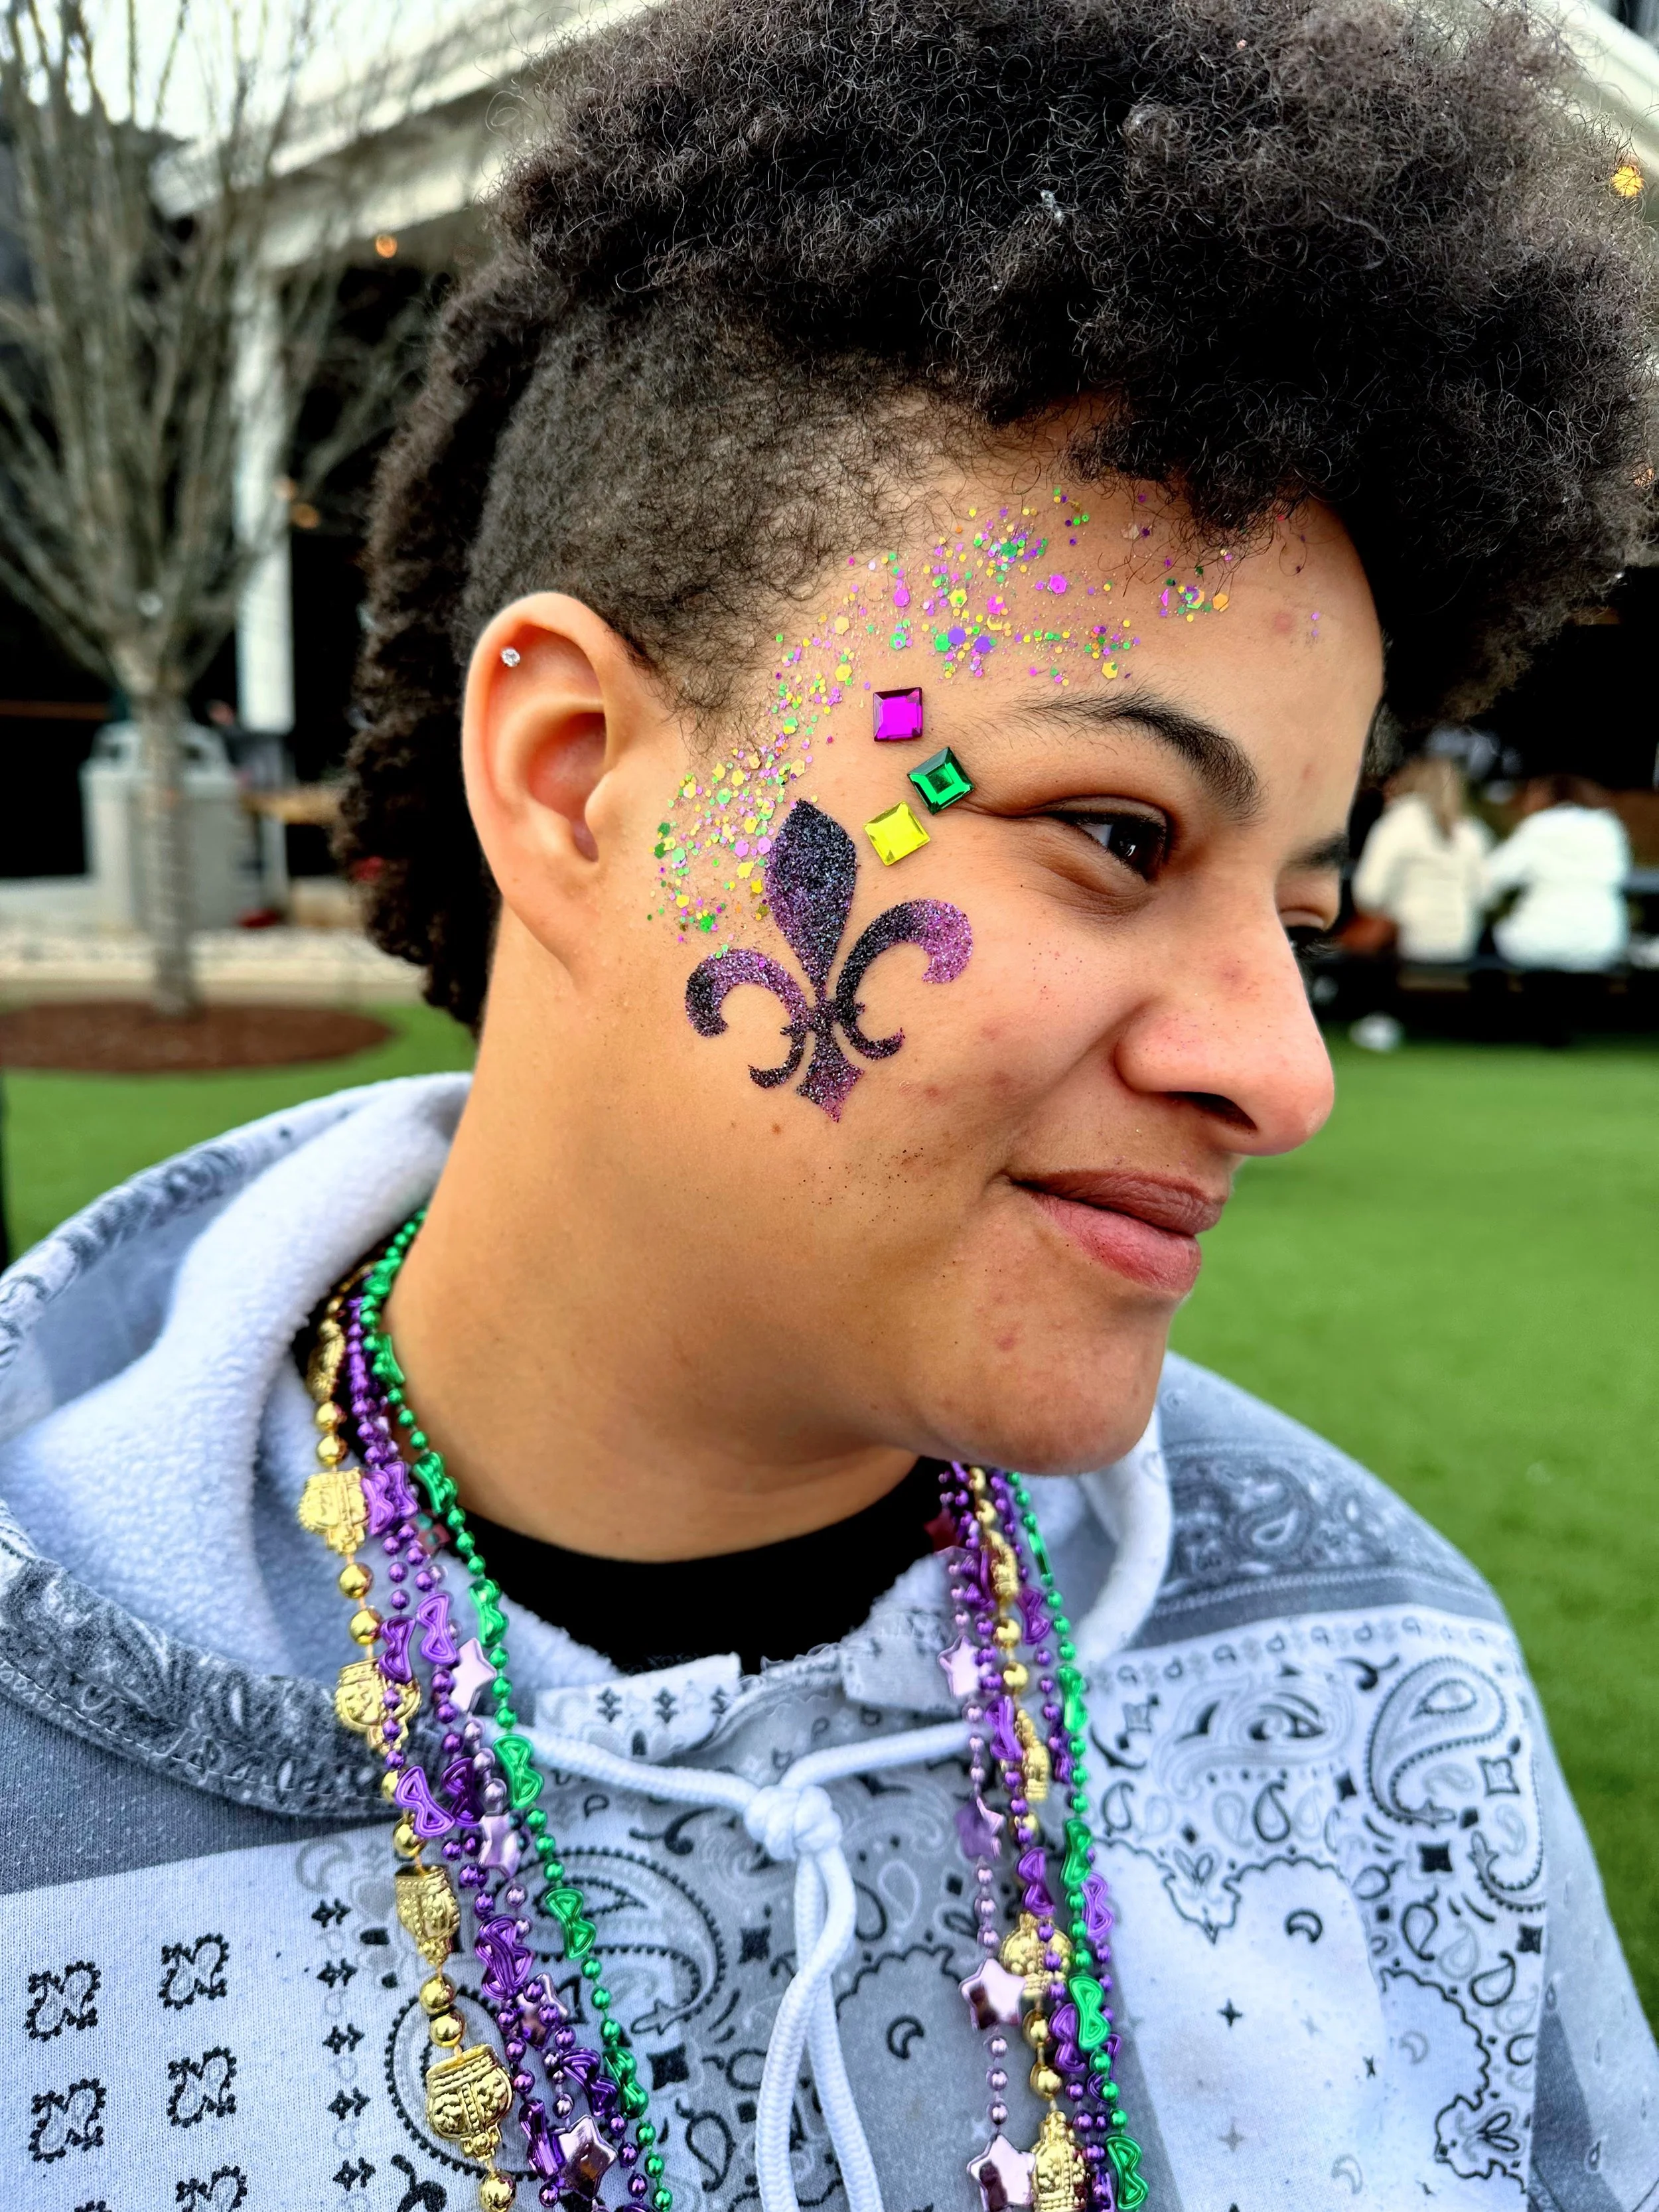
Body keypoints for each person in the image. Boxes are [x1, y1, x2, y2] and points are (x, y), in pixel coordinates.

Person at [2, 3, 1655, 2208]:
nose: (1277, 1068)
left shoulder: (1382, 1672)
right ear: (578, 780)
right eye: (1123, 833)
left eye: (1302, 899)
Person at [1484, 773, 1634, 971]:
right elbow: (1620, 873)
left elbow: (1494, 874)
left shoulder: (1539, 826)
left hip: (1538, 941)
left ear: (1547, 795)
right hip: (1600, 943)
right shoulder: (1609, 827)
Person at [1350, 755, 1493, 962]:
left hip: (1405, 948)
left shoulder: (1399, 822)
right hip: (1460, 947)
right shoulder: (1472, 832)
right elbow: (1484, 895)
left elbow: (1368, 893)